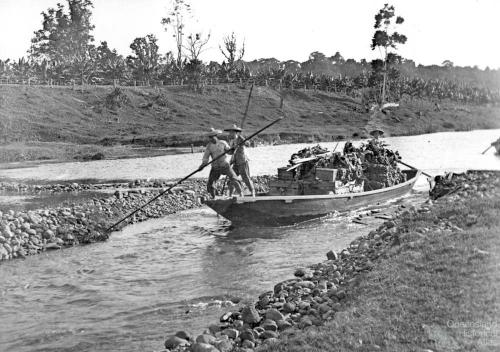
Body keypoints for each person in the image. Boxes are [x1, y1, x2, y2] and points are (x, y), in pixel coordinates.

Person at [199, 128, 242, 198]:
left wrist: (233, 149)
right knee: (210, 184)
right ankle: (214, 197)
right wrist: (202, 165)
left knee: (234, 179)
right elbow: (205, 158)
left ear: (216, 136)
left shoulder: (223, 143)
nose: (210, 139)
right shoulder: (209, 146)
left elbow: (230, 152)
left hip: (225, 165)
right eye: (209, 137)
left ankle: (241, 195)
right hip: (215, 167)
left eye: (212, 137)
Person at [224, 124, 256, 197]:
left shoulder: (240, 138)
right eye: (229, 132)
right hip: (235, 162)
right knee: (232, 178)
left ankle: (252, 192)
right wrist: (227, 150)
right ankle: (230, 194)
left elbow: (248, 144)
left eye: (231, 132)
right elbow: (231, 152)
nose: (230, 134)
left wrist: (242, 142)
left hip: (242, 160)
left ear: (235, 132)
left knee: (245, 177)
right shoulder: (231, 141)